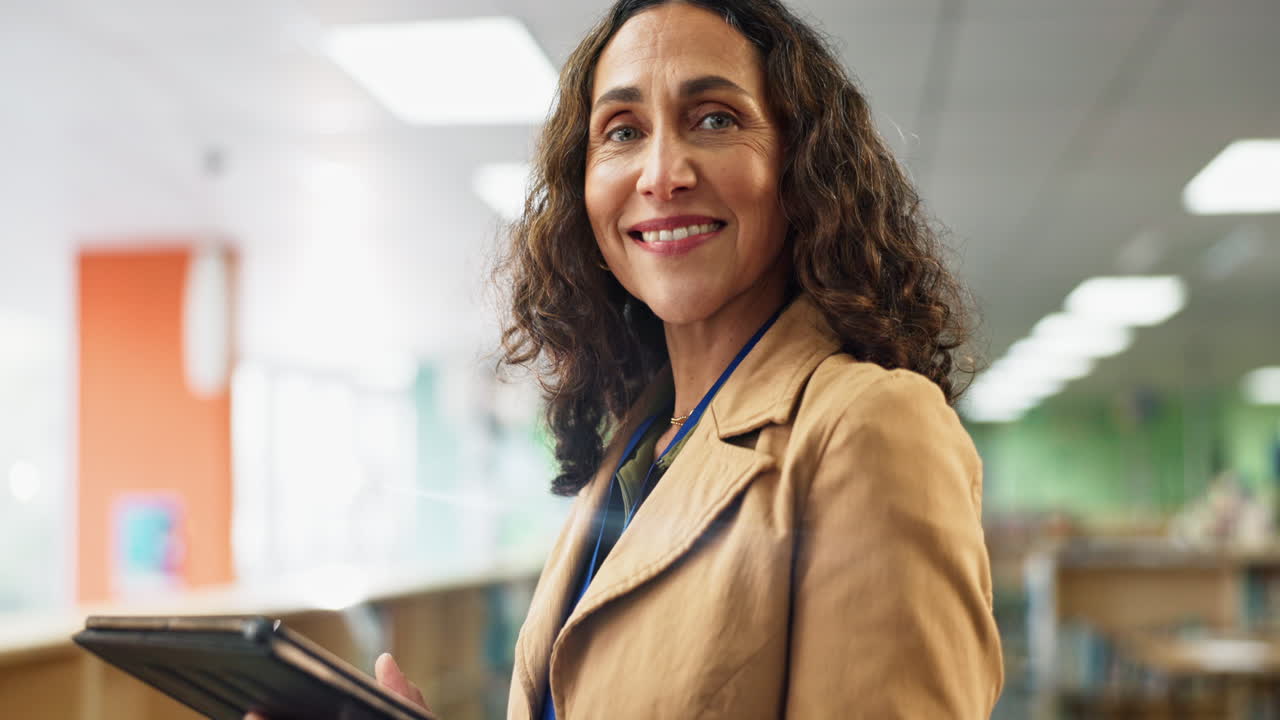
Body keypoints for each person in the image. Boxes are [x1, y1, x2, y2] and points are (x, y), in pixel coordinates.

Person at [252, 0, 1002, 717]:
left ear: (801, 166)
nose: (661, 173)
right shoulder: (638, 452)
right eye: (621, 131)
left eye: (715, 119)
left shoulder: (868, 428)